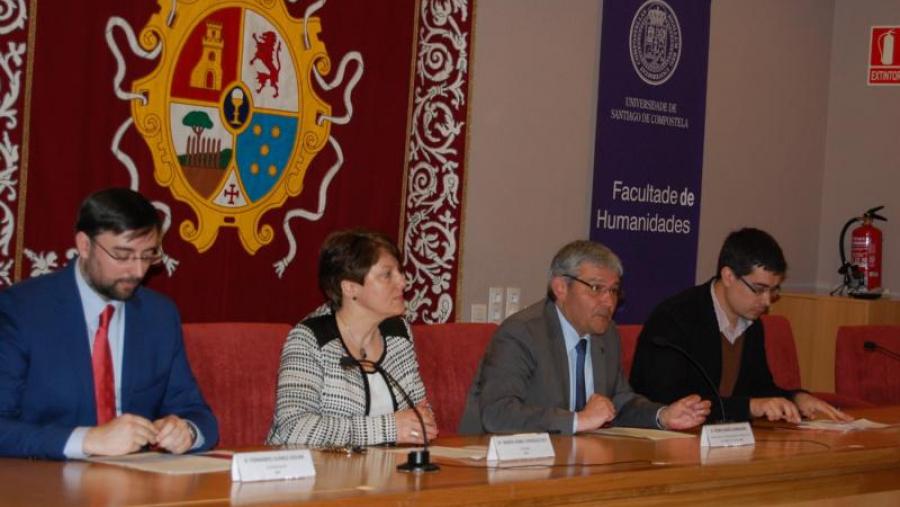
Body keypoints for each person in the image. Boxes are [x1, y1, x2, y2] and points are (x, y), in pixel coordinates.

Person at [0, 188, 218, 460]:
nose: (138, 271)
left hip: (137, 492)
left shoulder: (159, 316)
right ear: (84, 245)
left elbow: (198, 414)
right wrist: (88, 440)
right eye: (122, 255)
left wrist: (187, 431)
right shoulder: (21, 310)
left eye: (148, 254)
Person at [458, 240, 710, 435]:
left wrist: (663, 415)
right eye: (596, 288)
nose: (609, 301)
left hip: (575, 462)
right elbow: (497, 413)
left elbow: (620, 403)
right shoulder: (522, 333)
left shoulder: (607, 335)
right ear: (561, 288)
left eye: (613, 290)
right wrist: (578, 420)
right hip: (504, 466)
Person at [630, 227, 851, 424]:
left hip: (725, 444)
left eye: (773, 291)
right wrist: (751, 408)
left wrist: (796, 398)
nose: (766, 302)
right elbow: (667, 402)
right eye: (759, 289)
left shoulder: (751, 323)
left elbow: (760, 389)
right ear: (728, 276)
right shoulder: (674, 318)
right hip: (668, 445)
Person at [266, 229, 437, 447]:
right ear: (350, 287)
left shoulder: (398, 333)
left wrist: (420, 422)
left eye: (400, 272)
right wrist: (389, 428)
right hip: (311, 475)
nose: (403, 282)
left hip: (379, 473)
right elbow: (295, 428)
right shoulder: (310, 339)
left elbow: (420, 413)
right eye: (387, 275)